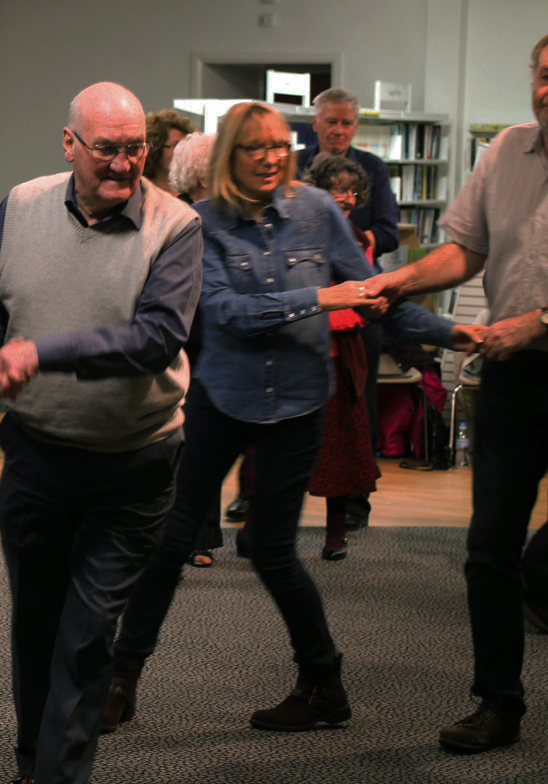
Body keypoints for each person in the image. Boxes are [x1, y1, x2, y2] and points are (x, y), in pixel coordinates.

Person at [101, 101, 480, 740]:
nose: (274, 157)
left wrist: (454, 331)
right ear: (231, 157)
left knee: (274, 552)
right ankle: (120, 680)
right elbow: (226, 312)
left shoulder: (316, 210)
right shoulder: (204, 223)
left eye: (281, 145)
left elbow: (375, 296)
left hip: (298, 403)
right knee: (169, 543)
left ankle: (324, 683)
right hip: (222, 397)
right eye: (257, 148)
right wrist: (320, 296)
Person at [0, 82, 203, 784]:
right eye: (106, 150)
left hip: (132, 468)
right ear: (69, 145)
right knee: (37, 628)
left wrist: (43, 352)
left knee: (86, 637)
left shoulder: (176, 226)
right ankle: (35, 765)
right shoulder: (22, 206)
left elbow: (155, 340)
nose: (123, 166)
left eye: (135, 150)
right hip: (36, 459)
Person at [364, 32, 548, 754]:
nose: (547, 91)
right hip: (513, 378)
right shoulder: (505, 152)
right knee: (489, 549)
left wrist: (534, 324)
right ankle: (498, 702)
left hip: (524, 344)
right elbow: (466, 249)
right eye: (543, 75)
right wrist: (400, 278)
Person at [299, 86, 404, 531]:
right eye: (332, 122)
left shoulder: (373, 167)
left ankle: (356, 500)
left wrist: (355, 244)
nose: (340, 130)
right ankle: (267, 497)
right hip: (307, 299)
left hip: (361, 297)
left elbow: (389, 230)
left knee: (358, 399)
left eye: (348, 123)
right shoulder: (295, 165)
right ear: (316, 123)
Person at [302, 153, 381, 560]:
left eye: (353, 191)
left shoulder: (362, 240)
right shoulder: (299, 232)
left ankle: (336, 535)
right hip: (300, 353)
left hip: (341, 354)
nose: (347, 198)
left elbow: (364, 301)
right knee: (279, 448)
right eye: (338, 189)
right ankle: (256, 529)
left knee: (341, 449)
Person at [167, 131, 223, 568]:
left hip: (216, 335)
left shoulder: (227, 214)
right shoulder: (180, 214)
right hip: (186, 334)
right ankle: (184, 534)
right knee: (184, 437)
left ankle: (201, 536)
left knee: (205, 436)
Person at [145, 109, 196, 195]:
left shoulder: (194, 193)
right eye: (176, 146)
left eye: (187, 145)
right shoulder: (140, 192)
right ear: (156, 150)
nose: (184, 151)